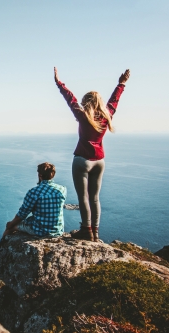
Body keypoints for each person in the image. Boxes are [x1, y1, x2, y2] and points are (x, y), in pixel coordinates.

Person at [54, 67, 130, 242]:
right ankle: (95, 232)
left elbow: (69, 98)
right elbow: (114, 100)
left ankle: (86, 230)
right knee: (95, 198)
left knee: (83, 197)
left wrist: (59, 82)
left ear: (86, 102)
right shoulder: (107, 116)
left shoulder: (82, 115)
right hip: (100, 161)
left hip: (82, 160)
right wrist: (121, 83)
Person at [0, 162, 66, 253]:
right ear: (53, 175)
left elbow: (22, 214)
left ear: (39, 174)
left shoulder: (34, 192)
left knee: (10, 227)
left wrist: (11, 224)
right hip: (57, 230)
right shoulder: (62, 189)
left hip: (40, 230)